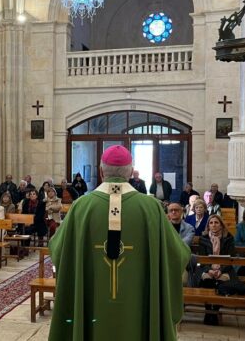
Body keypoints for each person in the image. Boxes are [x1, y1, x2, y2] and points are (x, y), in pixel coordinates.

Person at [49, 145, 190, 341]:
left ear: (100, 172)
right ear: (131, 173)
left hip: (92, 307)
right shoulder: (151, 208)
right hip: (138, 306)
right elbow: (178, 254)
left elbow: (58, 249)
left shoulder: (81, 207)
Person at [195, 214, 236, 325]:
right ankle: (209, 312)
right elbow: (202, 259)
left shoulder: (228, 238)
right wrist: (209, 270)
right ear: (208, 225)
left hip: (224, 268)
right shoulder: (203, 238)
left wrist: (220, 270)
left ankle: (215, 311)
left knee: (220, 282)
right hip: (207, 268)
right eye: (211, 223)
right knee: (207, 280)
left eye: (216, 222)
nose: (213, 225)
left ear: (221, 225)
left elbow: (231, 258)